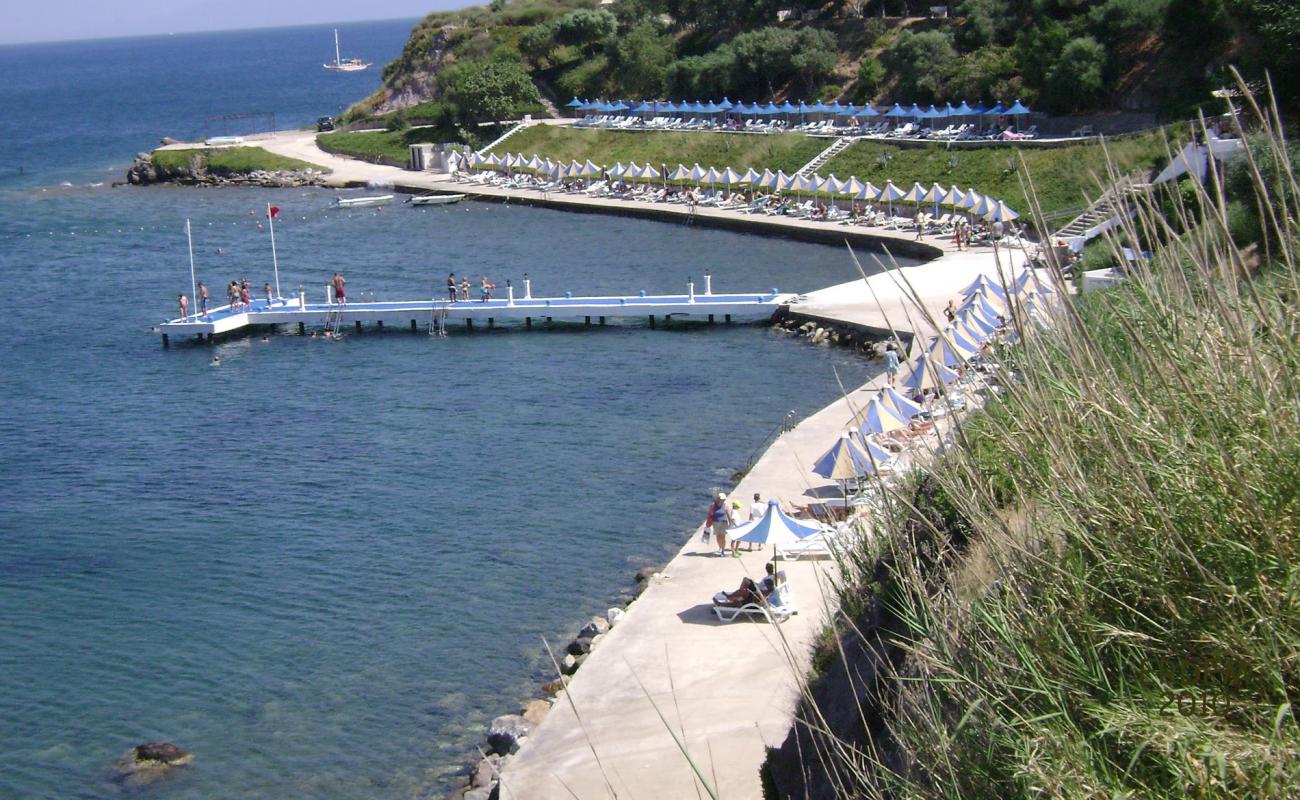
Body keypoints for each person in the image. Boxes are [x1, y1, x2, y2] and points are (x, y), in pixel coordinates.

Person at [702, 492, 730, 556]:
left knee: (722, 537)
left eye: (724, 500)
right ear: (718, 499)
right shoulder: (713, 505)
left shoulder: (725, 506)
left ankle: (722, 550)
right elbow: (709, 513)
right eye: (722, 499)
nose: (723, 500)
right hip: (716, 522)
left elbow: (729, 515)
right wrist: (708, 523)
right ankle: (720, 548)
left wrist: (731, 524)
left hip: (724, 522)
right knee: (718, 536)